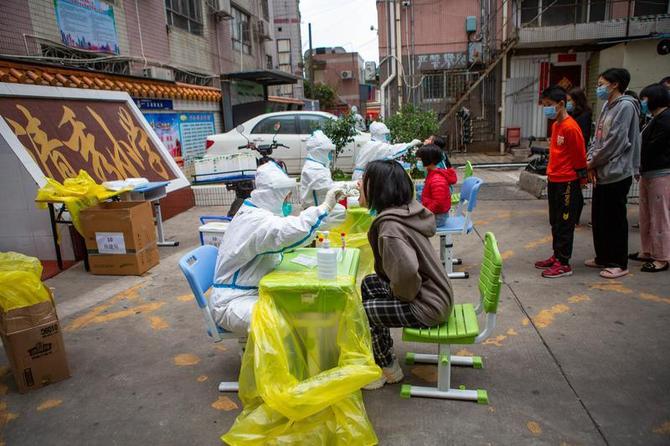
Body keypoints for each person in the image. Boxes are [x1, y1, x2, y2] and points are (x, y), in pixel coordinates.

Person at [210, 161, 345, 334]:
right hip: (233, 302)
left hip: (252, 291)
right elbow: (285, 231)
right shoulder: (255, 221)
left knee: (302, 308)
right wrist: (324, 208)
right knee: (286, 323)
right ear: (274, 196)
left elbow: (281, 235)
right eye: (286, 198)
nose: (288, 202)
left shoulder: (256, 212)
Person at [357, 160, 453, 389]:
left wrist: (399, 296)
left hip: (427, 306)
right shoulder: (405, 213)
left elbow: (407, 274)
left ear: (378, 188)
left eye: (364, 181)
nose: (359, 184)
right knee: (369, 284)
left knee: (364, 313)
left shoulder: (390, 229)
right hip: (436, 295)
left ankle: (387, 368)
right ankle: (383, 349)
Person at [585, 68, 641, 279]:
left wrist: (593, 161)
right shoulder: (607, 106)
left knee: (614, 219)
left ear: (615, 84)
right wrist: (590, 159)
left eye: (601, 84)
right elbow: (598, 137)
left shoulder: (626, 107)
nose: (598, 88)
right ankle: (603, 256)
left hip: (617, 171)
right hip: (602, 170)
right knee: (600, 217)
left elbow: (616, 142)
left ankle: (618, 262)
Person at [534, 86, 588, 278]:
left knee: (565, 222)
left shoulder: (571, 127)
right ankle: (557, 255)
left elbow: (579, 156)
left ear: (561, 104)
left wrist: (582, 179)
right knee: (555, 221)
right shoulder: (556, 125)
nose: (546, 109)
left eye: (549, 105)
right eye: (544, 105)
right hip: (554, 179)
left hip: (567, 181)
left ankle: (564, 263)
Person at [629, 83, 670, 272]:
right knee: (646, 215)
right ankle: (648, 250)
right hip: (648, 172)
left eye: (644, 99)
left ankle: (661, 257)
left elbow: (653, 147)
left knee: (660, 216)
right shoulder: (653, 119)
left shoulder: (666, 120)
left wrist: (637, 158)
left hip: (661, 173)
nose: (642, 102)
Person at [352, 122, 421, 180]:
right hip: (361, 177)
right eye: (386, 135)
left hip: (362, 175)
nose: (388, 137)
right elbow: (392, 150)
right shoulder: (375, 145)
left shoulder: (369, 144)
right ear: (380, 135)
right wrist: (410, 144)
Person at [416, 144, 458, 227]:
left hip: (438, 218)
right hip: (435, 213)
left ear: (429, 160)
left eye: (420, 159)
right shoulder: (432, 173)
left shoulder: (437, 180)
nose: (418, 161)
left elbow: (439, 203)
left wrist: (425, 212)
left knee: (410, 224)